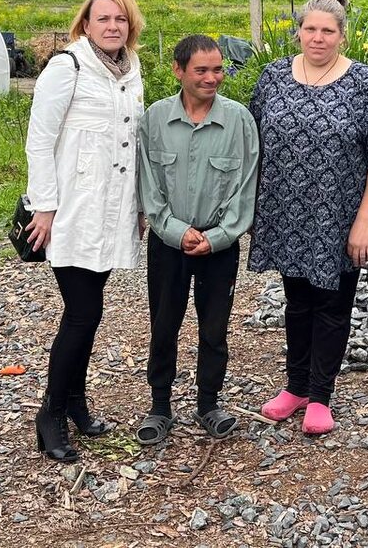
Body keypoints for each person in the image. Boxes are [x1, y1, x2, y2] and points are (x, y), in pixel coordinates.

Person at [247, 0, 368, 436]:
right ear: (298, 32)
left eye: (327, 31)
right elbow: (252, 142)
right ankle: (294, 387)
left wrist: (365, 220)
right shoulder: (274, 76)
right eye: (310, 29)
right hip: (284, 212)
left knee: (333, 304)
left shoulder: (363, 83)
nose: (317, 37)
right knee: (296, 302)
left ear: (341, 36)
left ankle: (321, 396)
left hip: (340, 216)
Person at [24, 0, 146, 462]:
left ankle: (75, 402)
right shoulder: (67, 67)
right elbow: (40, 140)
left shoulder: (132, 68)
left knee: (90, 310)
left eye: (120, 19)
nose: (112, 26)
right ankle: (50, 413)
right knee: (81, 314)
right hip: (72, 211)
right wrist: (45, 207)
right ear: (86, 24)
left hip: (112, 211)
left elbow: (133, 144)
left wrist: (138, 207)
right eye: (103, 19)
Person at [135, 35, 259, 445]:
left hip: (218, 249)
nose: (212, 78)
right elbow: (148, 184)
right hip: (168, 245)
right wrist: (173, 229)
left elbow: (246, 187)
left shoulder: (239, 121)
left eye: (218, 69)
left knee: (214, 327)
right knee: (163, 324)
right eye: (201, 70)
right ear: (178, 70)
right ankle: (160, 407)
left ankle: (209, 404)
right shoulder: (155, 119)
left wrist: (219, 237)